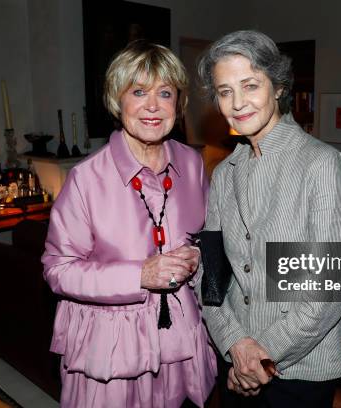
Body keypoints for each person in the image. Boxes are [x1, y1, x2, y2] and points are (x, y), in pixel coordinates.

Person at [42, 41, 216, 408]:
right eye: (138, 92)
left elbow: (207, 236)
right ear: (116, 101)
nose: (153, 106)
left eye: (165, 93)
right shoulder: (86, 179)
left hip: (179, 337)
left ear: (178, 105)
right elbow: (58, 271)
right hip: (112, 346)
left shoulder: (193, 164)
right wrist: (138, 275)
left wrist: (199, 254)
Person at [197, 30, 341, 407]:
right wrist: (235, 345)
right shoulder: (224, 173)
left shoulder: (320, 164)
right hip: (235, 360)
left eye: (250, 85)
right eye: (224, 91)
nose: (237, 103)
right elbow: (213, 277)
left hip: (300, 368)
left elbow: (326, 290)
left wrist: (261, 358)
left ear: (279, 87)